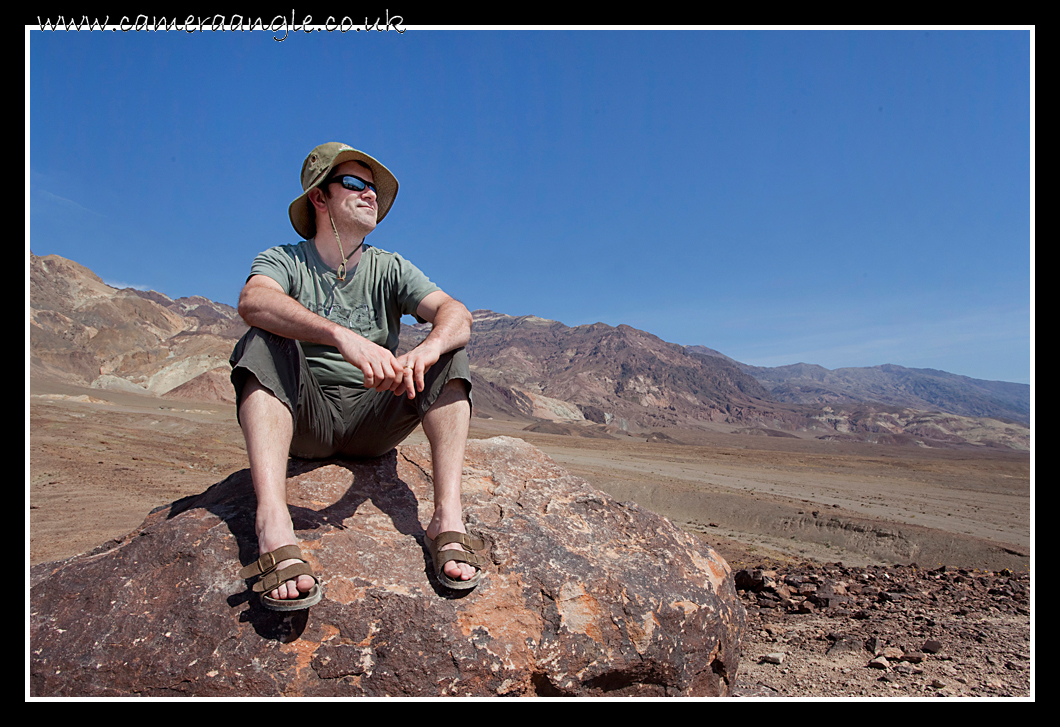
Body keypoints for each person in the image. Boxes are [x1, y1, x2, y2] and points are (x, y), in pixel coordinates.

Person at [230, 142, 484, 610]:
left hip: (375, 419)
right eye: (354, 184)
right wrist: (340, 336)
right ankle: (273, 524)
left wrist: (426, 350)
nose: (370, 195)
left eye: (373, 188)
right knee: (261, 341)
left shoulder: (390, 267)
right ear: (319, 198)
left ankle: (447, 520)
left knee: (452, 353)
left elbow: (457, 314)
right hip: (306, 418)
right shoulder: (284, 260)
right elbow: (254, 302)